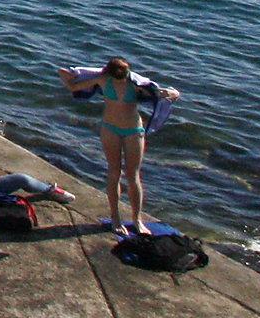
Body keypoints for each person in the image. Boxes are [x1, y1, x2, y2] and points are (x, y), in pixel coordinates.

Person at [59, 58, 180, 235]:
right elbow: (70, 83)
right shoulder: (102, 80)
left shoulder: (136, 85)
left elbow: (169, 95)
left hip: (134, 131)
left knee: (133, 175)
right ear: (110, 73)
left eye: (123, 77)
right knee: (114, 172)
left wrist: (170, 92)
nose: (121, 80)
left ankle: (137, 219)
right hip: (110, 129)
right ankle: (115, 218)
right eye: (117, 77)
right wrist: (74, 74)